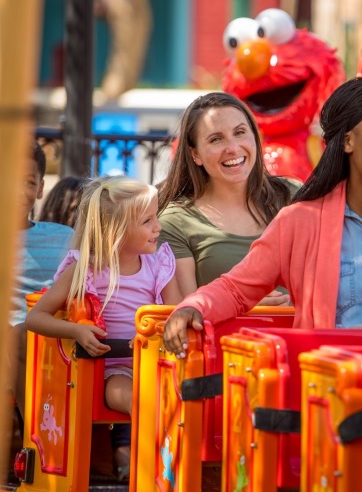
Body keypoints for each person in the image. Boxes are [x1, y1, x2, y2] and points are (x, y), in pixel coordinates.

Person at [162, 77, 362, 357]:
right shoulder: (300, 220)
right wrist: (193, 307)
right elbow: (236, 288)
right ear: (348, 141)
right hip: (333, 383)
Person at [25, 176, 182, 480]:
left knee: (185, 398)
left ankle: (180, 473)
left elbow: (173, 314)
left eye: (156, 217)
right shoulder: (87, 268)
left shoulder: (158, 264)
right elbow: (36, 317)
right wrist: (76, 331)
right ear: (118, 231)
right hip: (113, 370)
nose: (158, 227)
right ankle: (152, 475)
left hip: (157, 364)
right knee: (143, 402)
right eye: (148, 221)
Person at [157, 92, 295, 305]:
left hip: (298, 336)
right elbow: (184, 316)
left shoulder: (294, 196)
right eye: (216, 139)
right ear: (195, 155)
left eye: (240, 132)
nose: (232, 148)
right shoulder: (174, 222)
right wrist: (244, 307)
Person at [5, 142, 74, 422]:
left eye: (28, 182)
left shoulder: (64, 236)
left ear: (41, 188)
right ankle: (35, 440)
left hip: (55, 339)